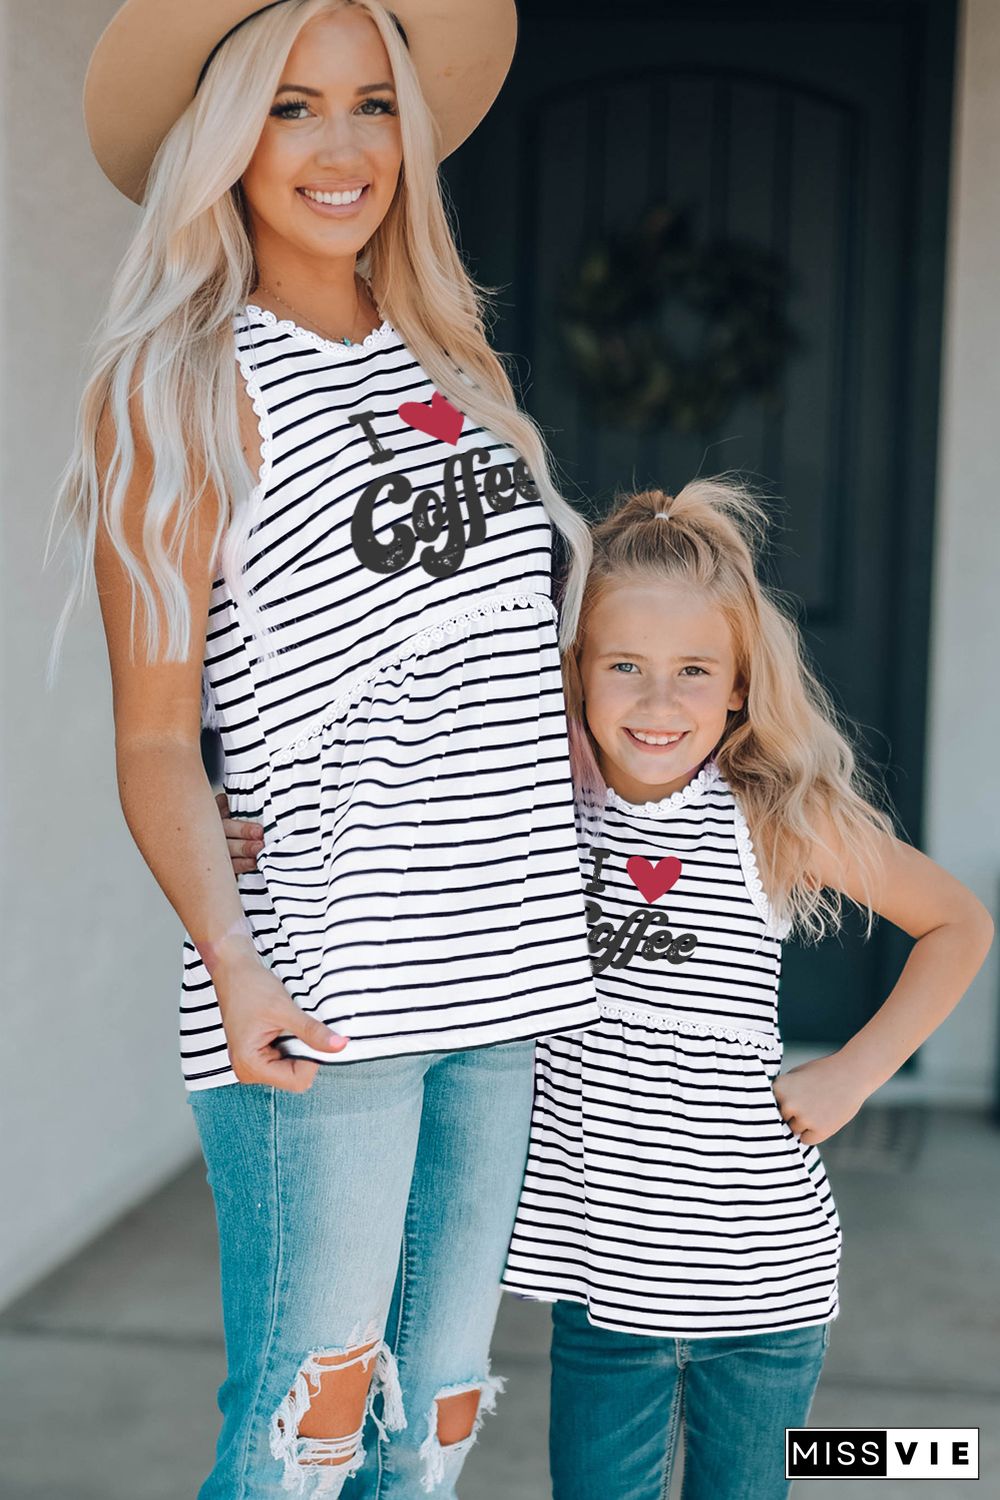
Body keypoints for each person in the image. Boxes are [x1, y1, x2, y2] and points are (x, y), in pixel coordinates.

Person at [47, 2, 601, 1495]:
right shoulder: (185, 383)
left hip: (504, 970)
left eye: (372, 105)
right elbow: (159, 735)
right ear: (227, 140)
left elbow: (496, 678)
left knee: (434, 1433)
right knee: (308, 1434)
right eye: (292, 107)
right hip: (327, 991)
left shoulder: (454, 370)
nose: (343, 146)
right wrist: (235, 963)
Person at [497, 480, 993, 1499]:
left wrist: (854, 1072)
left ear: (736, 688)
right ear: (575, 673)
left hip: (763, 1291)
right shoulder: (537, 805)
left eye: (692, 672)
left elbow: (958, 923)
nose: (657, 700)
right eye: (623, 667)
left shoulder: (771, 818)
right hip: (603, 1296)